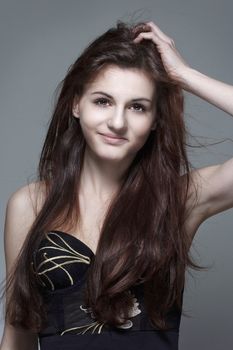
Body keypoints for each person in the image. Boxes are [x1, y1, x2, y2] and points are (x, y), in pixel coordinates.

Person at [0, 20, 232, 350]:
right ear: (75, 104)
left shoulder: (179, 200)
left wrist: (185, 76)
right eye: (103, 101)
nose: (118, 121)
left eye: (138, 107)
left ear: (155, 121)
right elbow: (17, 335)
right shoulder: (30, 205)